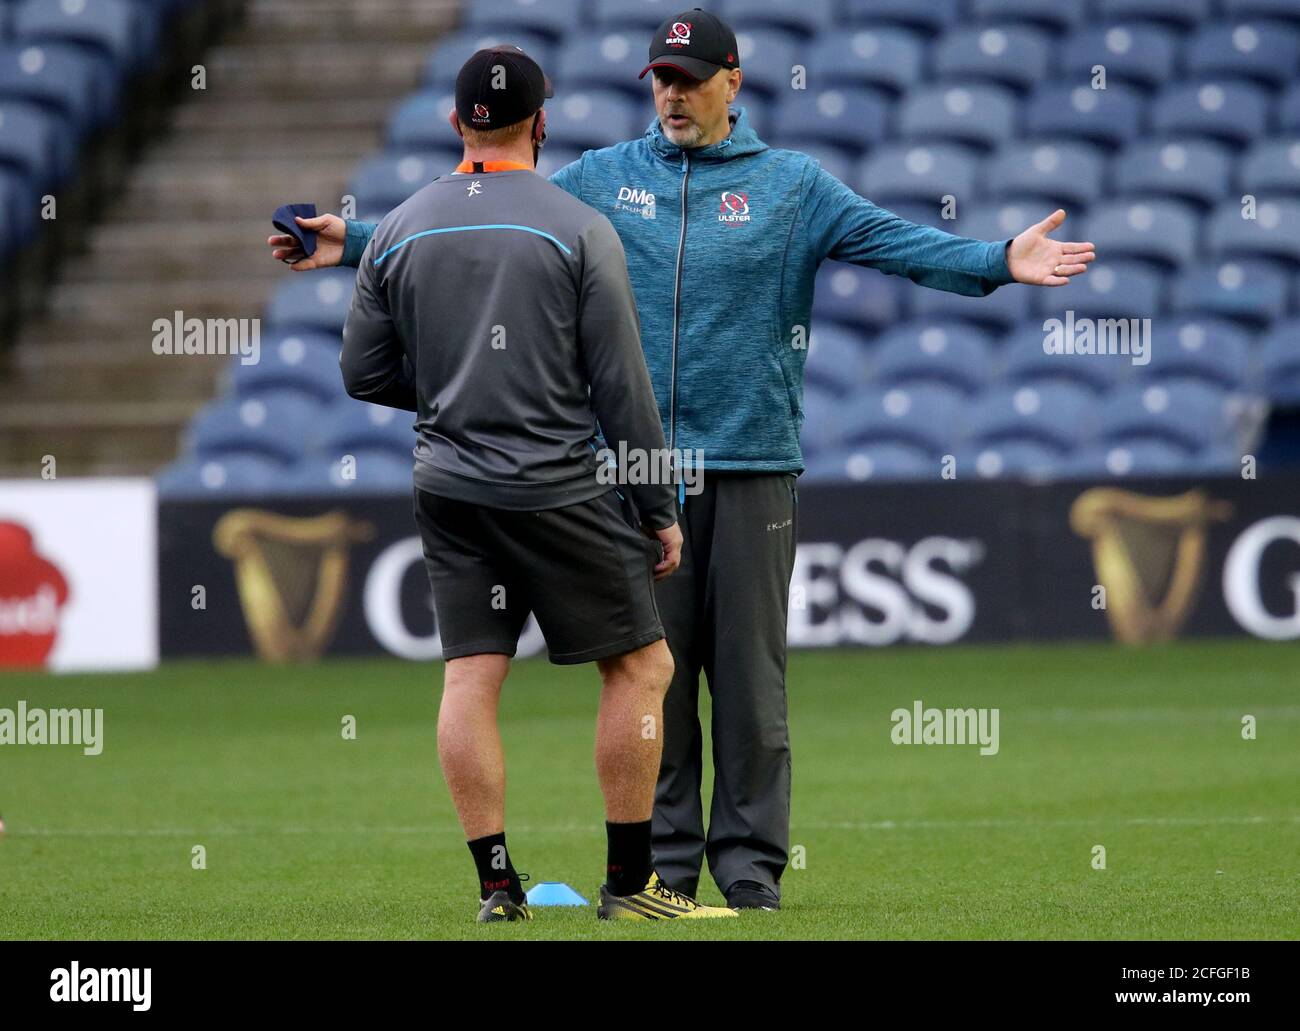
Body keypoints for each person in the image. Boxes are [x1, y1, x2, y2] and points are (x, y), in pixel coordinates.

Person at [271, 9, 1095, 911]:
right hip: (632, 477)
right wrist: (349, 242)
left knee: (748, 688)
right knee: (650, 676)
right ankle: (661, 871)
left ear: (733, 83)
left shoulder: (794, 187)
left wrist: (996, 261)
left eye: (691, 77)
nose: (673, 92)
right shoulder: (600, 179)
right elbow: (482, 215)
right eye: (661, 77)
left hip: (750, 465)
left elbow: (894, 243)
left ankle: (749, 874)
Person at [337, 44, 734, 922]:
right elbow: (622, 387)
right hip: (555, 483)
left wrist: (455, 387)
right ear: (542, 123)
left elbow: (362, 373)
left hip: (447, 485)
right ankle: (632, 887)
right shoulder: (577, 226)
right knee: (642, 665)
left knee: (470, 678)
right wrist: (658, 510)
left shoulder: (398, 228)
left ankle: (496, 886)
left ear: (456, 123)